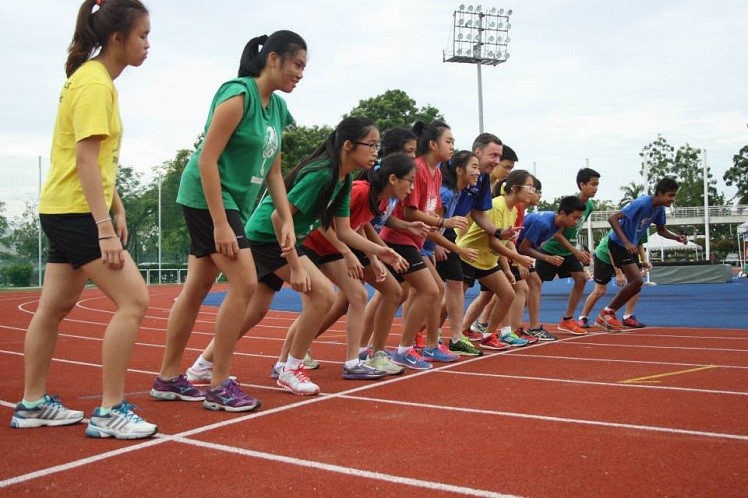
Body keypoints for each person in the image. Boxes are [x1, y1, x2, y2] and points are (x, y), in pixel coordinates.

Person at [10, 0, 156, 439]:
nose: (148, 45)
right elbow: (87, 160)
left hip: (63, 207)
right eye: (143, 36)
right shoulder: (95, 85)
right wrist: (105, 227)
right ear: (118, 38)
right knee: (135, 300)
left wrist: (118, 205)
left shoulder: (90, 79)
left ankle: (32, 404)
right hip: (75, 211)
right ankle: (110, 410)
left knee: (52, 308)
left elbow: (96, 161)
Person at [150, 30, 307, 411]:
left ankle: (169, 378)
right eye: (297, 65)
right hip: (207, 197)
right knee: (246, 283)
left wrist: (284, 217)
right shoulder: (238, 95)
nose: (301, 74)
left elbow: (273, 170)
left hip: (234, 202)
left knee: (197, 288)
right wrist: (221, 223)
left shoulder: (278, 110)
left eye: (304, 68)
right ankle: (218, 382)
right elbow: (206, 159)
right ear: (273, 59)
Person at [195, 116, 394, 395]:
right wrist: (295, 267)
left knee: (256, 310)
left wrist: (380, 251)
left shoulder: (344, 178)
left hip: (277, 236)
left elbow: (344, 231)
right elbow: (279, 218)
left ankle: (203, 364)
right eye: (371, 145)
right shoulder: (322, 174)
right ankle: (290, 369)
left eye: (378, 145)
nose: (376, 152)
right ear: (348, 145)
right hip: (267, 235)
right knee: (323, 294)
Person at [272, 152, 413, 379]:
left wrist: (375, 258)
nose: (412, 187)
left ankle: (353, 362)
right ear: (393, 178)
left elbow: (360, 225)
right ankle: (282, 363)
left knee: (358, 295)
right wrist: (348, 253)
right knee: (317, 303)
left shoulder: (379, 199)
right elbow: (323, 224)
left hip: (332, 249)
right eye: (410, 180)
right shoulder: (359, 189)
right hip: (311, 245)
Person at [379, 120, 466, 369]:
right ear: (432, 144)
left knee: (415, 292)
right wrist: (443, 222)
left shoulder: (437, 172)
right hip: (397, 237)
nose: (452, 147)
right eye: (448, 141)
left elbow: (428, 209)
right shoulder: (416, 168)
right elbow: (409, 212)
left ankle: (424, 345)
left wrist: (437, 232)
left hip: (414, 239)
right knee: (428, 291)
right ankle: (403, 348)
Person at [457, 170, 535, 349]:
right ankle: (426, 335)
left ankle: (489, 336)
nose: (531, 191)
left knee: (507, 293)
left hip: (487, 261)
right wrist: (518, 258)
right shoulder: (497, 205)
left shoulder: (513, 210)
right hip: (469, 255)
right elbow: (493, 241)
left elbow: (505, 241)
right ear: (515, 188)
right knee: (451, 301)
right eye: (529, 187)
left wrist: (509, 268)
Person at [595, 177, 686, 329]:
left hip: (630, 246)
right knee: (637, 281)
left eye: (674, 195)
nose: (673, 199)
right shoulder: (642, 203)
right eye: (670, 195)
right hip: (618, 243)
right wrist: (626, 242)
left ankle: (614, 315)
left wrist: (676, 237)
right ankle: (606, 313)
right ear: (659, 193)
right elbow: (613, 219)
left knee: (636, 285)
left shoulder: (659, 210)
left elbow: (661, 230)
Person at [534, 168, 600, 335]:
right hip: (551, 251)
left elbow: (575, 229)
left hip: (568, 252)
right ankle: (508, 320)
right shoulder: (570, 204)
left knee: (581, 278)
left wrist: (580, 250)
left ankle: (567, 320)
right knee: (531, 287)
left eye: (597, 185)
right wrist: (576, 251)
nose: (596, 188)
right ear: (582, 185)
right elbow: (556, 233)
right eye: (593, 184)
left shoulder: (590, 205)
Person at [516, 196, 588, 340]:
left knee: (530, 285)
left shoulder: (557, 223)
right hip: (512, 253)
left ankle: (530, 328)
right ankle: (510, 328)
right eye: (574, 218)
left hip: (517, 253)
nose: (576, 222)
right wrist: (546, 258)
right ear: (563, 213)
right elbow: (523, 248)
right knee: (506, 292)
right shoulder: (543, 223)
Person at [578, 232, 650, 329]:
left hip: (626, 254)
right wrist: (618, 273)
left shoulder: (643, 224)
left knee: (635, 284)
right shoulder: (621, 226)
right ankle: (582, 318)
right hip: (605, 256)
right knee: (600, 290)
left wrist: (645, 259)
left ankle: (627, 317)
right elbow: (610, 249)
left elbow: (639, 244)